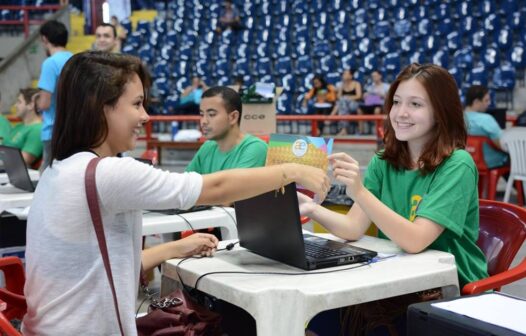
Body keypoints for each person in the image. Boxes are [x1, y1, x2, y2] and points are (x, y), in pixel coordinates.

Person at [22, 51, 330, 336]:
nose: (146, 116)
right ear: (100, 106)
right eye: (136, 104)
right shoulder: (108, 174)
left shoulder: (58, 171)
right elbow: (214, 188)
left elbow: (100, 266)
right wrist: (292, 171)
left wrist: (173, 250)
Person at [301, 64, 488, 336]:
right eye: (397, 102)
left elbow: (415, 241)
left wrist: (360, 192)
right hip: (395, 279)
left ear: (440, 112)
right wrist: (311, 208)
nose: (401, 113)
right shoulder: (382, 161)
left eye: (415, 104)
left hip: (446, 287)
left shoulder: (457, 164)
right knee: (319, 321)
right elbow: (353, 227)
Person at [186, 86, 268, 174]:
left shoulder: (256, 148)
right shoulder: (207, 147)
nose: (203, 121)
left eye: (211, 114)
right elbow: (187, 183)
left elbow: (233, 187)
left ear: (233, 117)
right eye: (202, 115)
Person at [37, 20, 73, 171]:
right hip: (72, 130)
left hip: (53, 131)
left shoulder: (50, 63)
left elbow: (44, 103)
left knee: (48, 178)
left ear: (45, 39)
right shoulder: (75, 59)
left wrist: (36, 101)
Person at [464, 85, 509, 169]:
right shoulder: (486, 120)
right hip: (490, 162)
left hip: (467, 162)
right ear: (476, 102)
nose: (489, 103)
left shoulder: (457, 119)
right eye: (486, 100)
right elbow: (501, 144)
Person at [3, 88, 43, 165]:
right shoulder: (19, 126)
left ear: (31, 105)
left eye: (19, 102)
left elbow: (23, 160)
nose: (15, 105)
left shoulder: (37, 129)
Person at [330, 69, 362, 135]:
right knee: (342, 104)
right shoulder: (342, 84)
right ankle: (344, 129)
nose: (344, 75)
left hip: (354, 104)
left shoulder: (356, 84)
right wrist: (340, 90)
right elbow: (338, 97)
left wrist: (347, 98)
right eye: (344, 74)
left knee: (342, 102)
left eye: (346, 74)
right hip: (344, 105)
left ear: (351, 76)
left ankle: (331, 116)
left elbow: (359, 96)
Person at [358, 69, 390, 134]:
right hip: (370, 104)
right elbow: (364, 98)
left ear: (380, 76)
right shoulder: (369, 87)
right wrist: (365, 96)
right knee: (359, 109)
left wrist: (382, 96)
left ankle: (377, 132)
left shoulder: (387, 86)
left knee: (377, 110)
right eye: (372, 76)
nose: (374, 78)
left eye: (375, 76)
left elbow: (390, 98)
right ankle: (361, 131)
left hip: (381, 105)